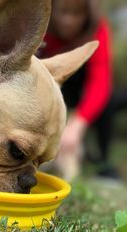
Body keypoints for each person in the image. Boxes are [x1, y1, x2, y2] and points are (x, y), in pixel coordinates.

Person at [37, 0, 116, 180]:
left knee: (108, 99)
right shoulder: (40, 25)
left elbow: (101, 81)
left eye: (76, 14)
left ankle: (103, 162)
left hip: (79, 83)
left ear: (87, 15)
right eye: (63, 12)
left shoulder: (98, 30)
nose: (68, 21)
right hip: (49, 79)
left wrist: (78, 123)